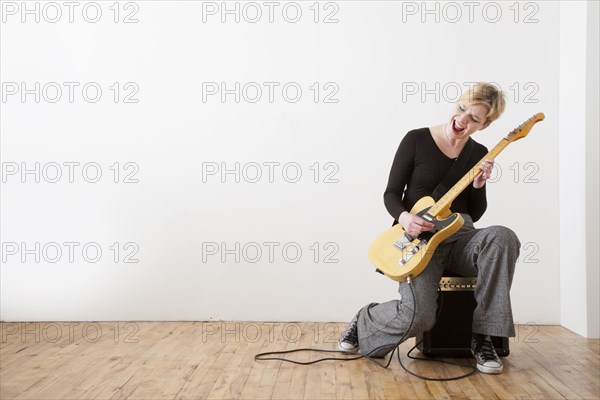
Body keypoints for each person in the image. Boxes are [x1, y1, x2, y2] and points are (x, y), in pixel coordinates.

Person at [338, 82, 521, 375]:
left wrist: (479, 185)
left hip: (462, 239)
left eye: (474, 118)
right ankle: (365, 318)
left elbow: (474, 212)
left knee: (502, 236)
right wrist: (404, 217)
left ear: (484, 126)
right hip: (422, 243)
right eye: (462, 109)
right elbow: (391, 193)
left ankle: (485, 337)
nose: (462, 120)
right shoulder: (416, 140)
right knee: (419, 319)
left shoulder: (480, 152)